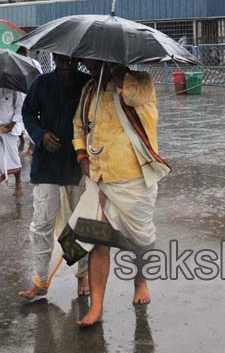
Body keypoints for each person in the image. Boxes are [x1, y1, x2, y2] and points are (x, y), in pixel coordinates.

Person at [63, 61, 170, 327]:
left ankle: (140, 282)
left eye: (97, 59)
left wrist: (116, 71)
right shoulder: (90, 89)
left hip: (135, 179)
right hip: (98, 178)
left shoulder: (142, 81)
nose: (89, 64)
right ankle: (96, 306)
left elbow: (133, 96)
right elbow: (78, 127)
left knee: (141, 241)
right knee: (97, 241)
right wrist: (81, 159)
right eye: (89, 60)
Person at [18, 54, 91, 301]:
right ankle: (41, 280)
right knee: (42, 225)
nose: (66, 60)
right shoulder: (41, 83)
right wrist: (40, 135)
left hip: (78, 164)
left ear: (78, 57)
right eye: (61, 55)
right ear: (54, 56)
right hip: (46, 165)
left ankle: (83, 274)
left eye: (72, 56)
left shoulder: (88, 84)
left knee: (78, 225)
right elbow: (28, 114)